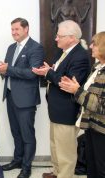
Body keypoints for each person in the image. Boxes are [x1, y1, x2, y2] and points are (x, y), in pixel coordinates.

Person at [32, 20, 90, 178]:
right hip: (57, 109)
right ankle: (57, 173)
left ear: (71, 37)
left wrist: (48, 73)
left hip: (67, 111)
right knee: (55, 145)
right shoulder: (63, 52)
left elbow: (67, 83)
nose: (56, 38)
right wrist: (49, 70)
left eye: (59, 36)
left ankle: (64, 175)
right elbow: (58, 74)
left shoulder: (80, 56)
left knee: (66, 152)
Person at [0, 17, 44, 178]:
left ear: (26, 29)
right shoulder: (11, 48)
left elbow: (32, 73)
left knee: (27, 135)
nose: (14, 32)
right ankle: (17, 160)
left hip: (26, 99)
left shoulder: (36, 48)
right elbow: (9, 71)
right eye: (12, 30)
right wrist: (3, 71)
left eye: (17, 29)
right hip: (10, 96)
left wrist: (8, 69)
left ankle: (26, 167)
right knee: (16, 132)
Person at [59, 31, 105, 178]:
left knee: (101, 167)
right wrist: (77, 87)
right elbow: (91, 92)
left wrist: (76, 91)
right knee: (92, 166)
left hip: (102, 129)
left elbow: (99, 105)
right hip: (91, 125)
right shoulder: (97, 67)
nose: (91, 46)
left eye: (95, 44)